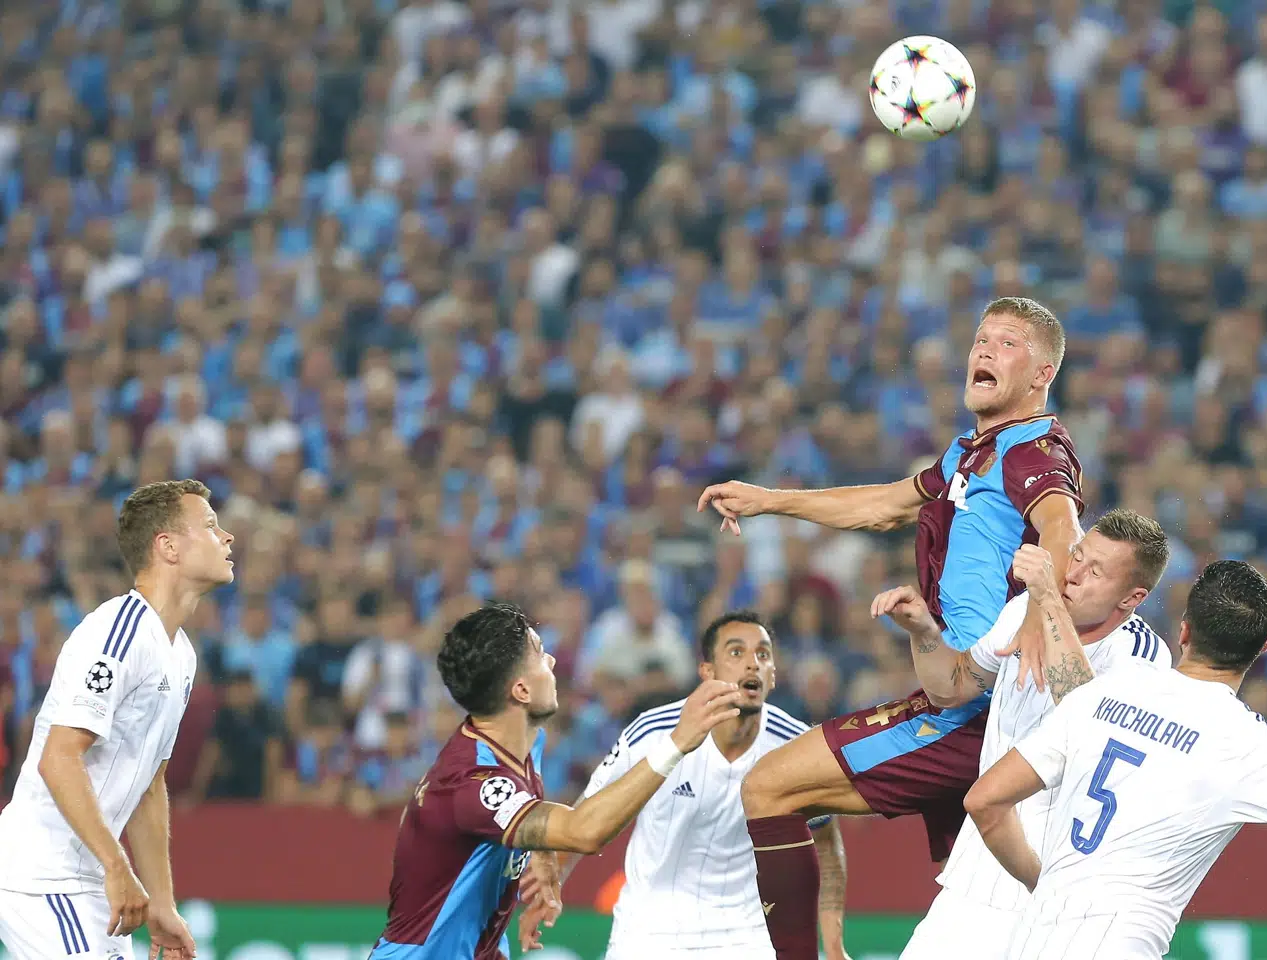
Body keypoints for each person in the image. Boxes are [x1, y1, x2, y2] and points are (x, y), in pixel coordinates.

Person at [698, 297, 1085, 960]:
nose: (985, 351)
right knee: (1002, 915)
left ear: (1042, 373)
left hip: (984, 712)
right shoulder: (971, 453)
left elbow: (1064, 528)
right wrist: (769, 501)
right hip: (962, 694)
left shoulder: (1035, 453)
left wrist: (1040, 616)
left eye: (1008, 344)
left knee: (769, 787)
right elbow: (885, 505)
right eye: (981, 338)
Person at [964, 560, 1267, 960]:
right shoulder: (1250, 744)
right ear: (1264, 647)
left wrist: (1042, 881)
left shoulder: (1102, 691)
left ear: (1184, 630)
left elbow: (985, 801)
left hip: (1029, 941)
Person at [874, 510, 1172, 959]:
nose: (1072, 574)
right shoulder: (1023, 611)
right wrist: (922, 631)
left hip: (1061, 896)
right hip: (979, 874)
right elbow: (953, 688)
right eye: (1077, 556)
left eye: (1096, 571)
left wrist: (1048, 602)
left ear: (1132, 597)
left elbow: (1084, 724)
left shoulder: (1143, 657)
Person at [368, 603, 742, 960]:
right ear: (521, 691)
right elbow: (584, 832)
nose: (551, 662)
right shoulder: (474, 783)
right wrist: (676, 743)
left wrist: (540, 850)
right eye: (540, 654)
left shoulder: (521, 741)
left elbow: (512, 813)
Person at [524, 611, 851, 960]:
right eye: (736, 653)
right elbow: (584, 817)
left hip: (748, 941)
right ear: (707, 671)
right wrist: (551, 880)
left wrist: (833, 946)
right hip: (647, 937)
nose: (752, 664)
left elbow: (828, 850)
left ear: (773, 674)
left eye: (763, 654)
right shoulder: (652, 732)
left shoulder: (796, 748)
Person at [0, 479, 235, 960]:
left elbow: (150, 785)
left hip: (94, 881)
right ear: (167, 547)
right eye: (210, 526)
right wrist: (116, 864)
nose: (227, 537)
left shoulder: (181, 655)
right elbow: (59, 758)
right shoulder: (118, 632)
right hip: (46, 876)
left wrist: (162, 903)